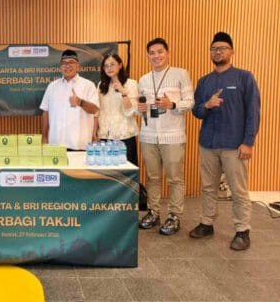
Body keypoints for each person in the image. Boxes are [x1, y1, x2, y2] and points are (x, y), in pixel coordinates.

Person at [190, 32, 260, 251]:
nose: (217, 51)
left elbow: (253, 112)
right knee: (208, 187)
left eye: (222, 48)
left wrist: (248, 142)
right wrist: (207, 105)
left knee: (238, 189)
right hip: (208, 143)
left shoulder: (244, 77)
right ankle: (207, 222)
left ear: (232, 51)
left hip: (234, 144)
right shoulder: (204, 81)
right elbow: (196, 111)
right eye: (214, 48)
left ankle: (242, 230)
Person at [137, 38, 194, 235]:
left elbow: (190, 102)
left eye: (160, 51)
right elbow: (140, 109)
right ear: (148, 56)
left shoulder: (180, 74)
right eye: (152, 53)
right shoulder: (144, 79)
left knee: (175, 179)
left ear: (167, 53)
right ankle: (153, 212)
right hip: (149, 136)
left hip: (172, 136)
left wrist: (172, 105)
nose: (156, 56)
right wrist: (140, 109)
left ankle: (174, 216)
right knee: (152, 177)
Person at [93, 53, 147, 209]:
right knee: (108, 176)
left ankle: (127, 208)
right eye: (106, 65)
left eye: (112, 64)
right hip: (105, 137)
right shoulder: (101, 85)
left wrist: (123, 92)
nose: (109, 68)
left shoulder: (131, 83)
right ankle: (109, 208)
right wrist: (95, 132)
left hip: (125, 136)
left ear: (120, 65)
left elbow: (132, 112)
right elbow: (98, 111)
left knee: (126, 177)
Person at [40, 49, 99, 150]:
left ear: (78, 66)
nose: (67, 66)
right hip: (56, 145)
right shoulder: (52, 86)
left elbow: (95, 110)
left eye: (71, 62)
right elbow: (45, 112)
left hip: (80, 145)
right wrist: (44, 137)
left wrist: (80, 102)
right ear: (60, 67)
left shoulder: (88, 85)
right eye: (64, 63)